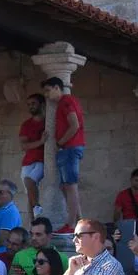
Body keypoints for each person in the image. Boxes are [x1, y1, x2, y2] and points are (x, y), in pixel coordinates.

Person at [42, 77, 87, 233]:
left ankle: (72, 224)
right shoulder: (64, 102)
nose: (47, 95)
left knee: (70, 186)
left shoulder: (66, 101)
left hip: (70, 148)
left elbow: (74, 124)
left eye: (48, 90)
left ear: (57, 87)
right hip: (68, 148)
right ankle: (79, 219)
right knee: (66, 186)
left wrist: (60, 142)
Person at [19, 93, 47, 222]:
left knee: (29, 181)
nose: (31, 106)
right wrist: (40, 142)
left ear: (41, 104)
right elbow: (23, 145)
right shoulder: (26, 124)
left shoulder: (49, 122)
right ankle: (33, 223)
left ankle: (37, 208)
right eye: (29, 104)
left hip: (42, 160)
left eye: (33, 103)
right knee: (30, 195)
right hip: (27, 162)